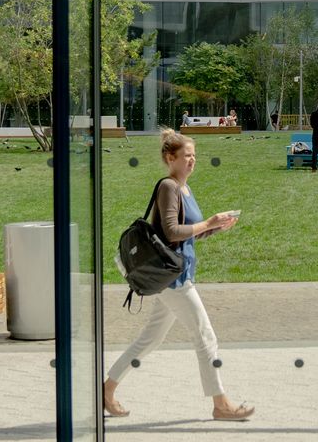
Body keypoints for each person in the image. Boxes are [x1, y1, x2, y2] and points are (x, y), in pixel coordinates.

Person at [104, 130, 252, 420]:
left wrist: (214, 227)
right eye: (187, 156)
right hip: (174, 281)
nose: (192, 161)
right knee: (205, 337)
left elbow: (183, 236)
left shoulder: (184, 188)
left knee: (150, 339)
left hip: (175, 276)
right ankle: (221, 404)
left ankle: (107, 389)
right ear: (170, 158)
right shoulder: (169, 187)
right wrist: (207, 222)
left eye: (194, 156)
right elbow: (171, 231)